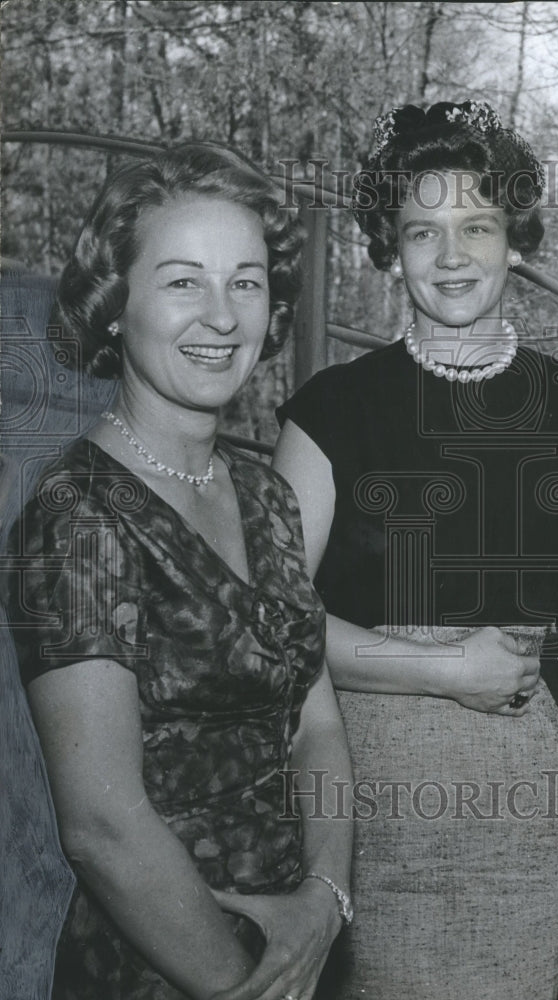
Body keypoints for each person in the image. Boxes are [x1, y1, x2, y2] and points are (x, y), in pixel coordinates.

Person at [273, 101, 558, 1000]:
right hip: (362, 795)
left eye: (478, 225)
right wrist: (440, 669)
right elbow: (272, 629)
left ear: (517, 241)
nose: (453, 254)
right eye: (421, 231)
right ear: (390, 250)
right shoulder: (331, 409)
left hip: (523, 795)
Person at [2, 142, 353, 1000]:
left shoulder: (268, 493)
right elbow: (103, 827)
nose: (223, 316)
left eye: (245, 281)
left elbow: (319, 729)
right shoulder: (74, 513)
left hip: (302, 942)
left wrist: (325, 898)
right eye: (183, 281)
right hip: (162, 964)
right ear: (117, 305)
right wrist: (247, 985)